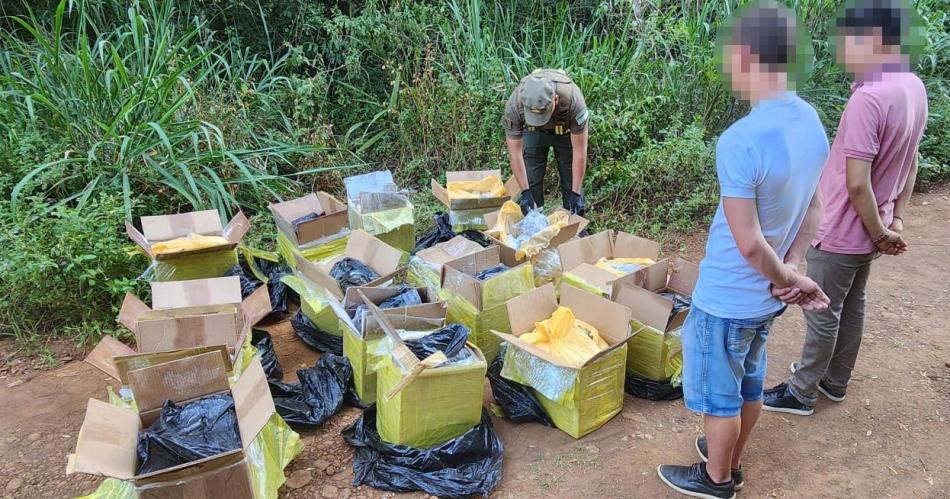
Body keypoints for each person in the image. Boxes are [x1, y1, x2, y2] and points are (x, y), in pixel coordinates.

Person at [657, 4, 831, 498]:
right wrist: (791, 269)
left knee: (719, 398)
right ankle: (729, 457)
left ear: (748, 56)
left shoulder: (740, 140)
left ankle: (717, 479)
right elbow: (815, 206)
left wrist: (788, 277)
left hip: (729, 295)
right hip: (766, 299)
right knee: (749, 382)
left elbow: (749, 242)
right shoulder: (810, 120)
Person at [764, 0, 928, 416]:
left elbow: (856, 183)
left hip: (841, 228)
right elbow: (911, 163)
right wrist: (893, 222)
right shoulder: (913, 86)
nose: (841, 50)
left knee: (822, 310)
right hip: (875, 227)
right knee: (852, 303)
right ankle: (835, 381)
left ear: (873, 38)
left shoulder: (869, 98)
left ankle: (801, 392)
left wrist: (878, 230)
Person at [502, 68, 589, 215]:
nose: (541, 120)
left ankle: (573, 222)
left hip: (565, 133)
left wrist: (576, 193)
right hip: (533, 132)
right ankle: (534, 221)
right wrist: (525, 192)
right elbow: (515, 153)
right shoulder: (514, 106)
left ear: (555, 99)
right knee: (531, 178)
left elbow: (579, 152)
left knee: (571, 179)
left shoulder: (574, 101)